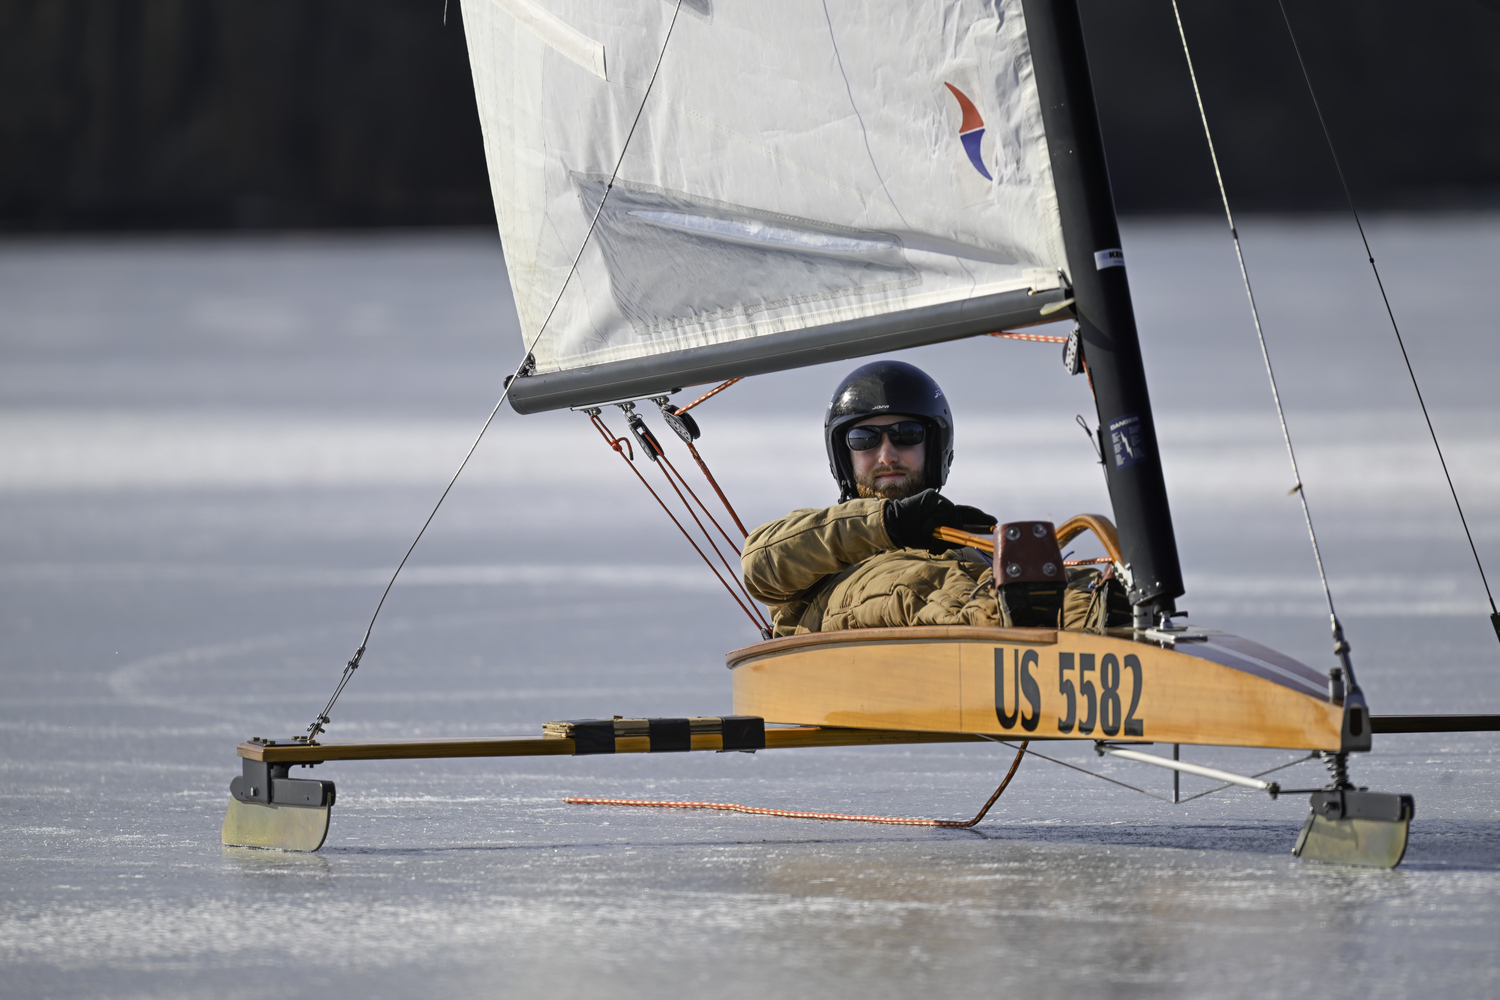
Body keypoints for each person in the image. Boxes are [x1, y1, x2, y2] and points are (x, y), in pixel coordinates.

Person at [741, 360, 1003, 636]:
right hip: (898, 610)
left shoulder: (972, 542)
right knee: (913, 586)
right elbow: (758, 565)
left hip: (991, 619)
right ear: (844, 456)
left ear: (935, 448)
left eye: (907, 434)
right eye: (864, 439)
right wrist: (889, 523)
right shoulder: (820, 536)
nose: (887, 456)